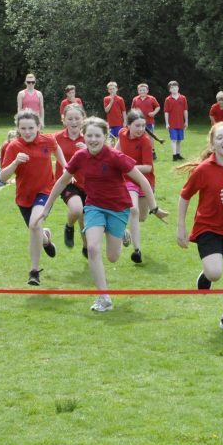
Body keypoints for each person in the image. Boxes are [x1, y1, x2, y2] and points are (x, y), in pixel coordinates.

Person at [36, 117, 167, 312]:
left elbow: (143, 180)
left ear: (105, 137)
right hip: (94, 207)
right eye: (89, 135)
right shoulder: (80, 156)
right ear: (84, 136)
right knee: (93, 249)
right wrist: (47, 207)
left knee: (113, 257)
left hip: (117, 208)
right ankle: (104, 298)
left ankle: (122, 233)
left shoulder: (115, 156)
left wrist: (154, 208)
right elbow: (62, 181)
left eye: (97, 135)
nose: (93, 139)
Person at [175, 122, 223, 334]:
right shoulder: (204, 170)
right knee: (215, 273)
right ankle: (207, 275)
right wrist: (180, 227)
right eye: (220, 138)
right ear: (212, 144)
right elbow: (185, 196)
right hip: (207, 226)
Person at [0, 109, 66, 286]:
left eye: (31, 128)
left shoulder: (48, 140)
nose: (27, 132)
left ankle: (34, 271)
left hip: (45, 191)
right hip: (24, 197)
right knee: (35, 228)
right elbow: (2, 177)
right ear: (18, 129)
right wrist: (15, 162)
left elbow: (56, 148)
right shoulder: (13, 146)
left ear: (38, 127)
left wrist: (66, 167)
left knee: (34, 224)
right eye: (23, 128)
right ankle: (46, 238)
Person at [118, 110, 156, 264]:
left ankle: (126, 233)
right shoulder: (121, 133)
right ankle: (137, 250)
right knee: (133, 210)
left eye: (143, 125)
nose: (141, 129)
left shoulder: (146, 141)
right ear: (128, 125)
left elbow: (147, 167)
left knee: (141, 217)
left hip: (145, 181)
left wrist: (126, 166)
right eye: (137, 125)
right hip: (128, 180)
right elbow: (116, 151)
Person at [53, 103, 89, 257]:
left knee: (84, 218)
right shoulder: (56, 138)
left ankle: (87, 248)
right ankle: (69, 227)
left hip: (89, 183)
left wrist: (88, 150)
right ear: (64, 120)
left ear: (83, 119)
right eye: (70, 119)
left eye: (77, 118)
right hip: (67, 182)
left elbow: (104, 155)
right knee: (76, 210)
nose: (74, 122)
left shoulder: (90, 136)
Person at [164, 80, 189, 161]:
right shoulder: (168, 99)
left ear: (178, 88)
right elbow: (166, 112)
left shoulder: (183, 98)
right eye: (172, 88)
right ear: (169, 90)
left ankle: (178, 154)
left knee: (179, 140)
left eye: (175, 87)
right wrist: (167, 123)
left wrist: (186, 121)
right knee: (173, 139)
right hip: (172, 124)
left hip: (180, 123)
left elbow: (185, 110)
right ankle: (174, 155)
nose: (174, 89)